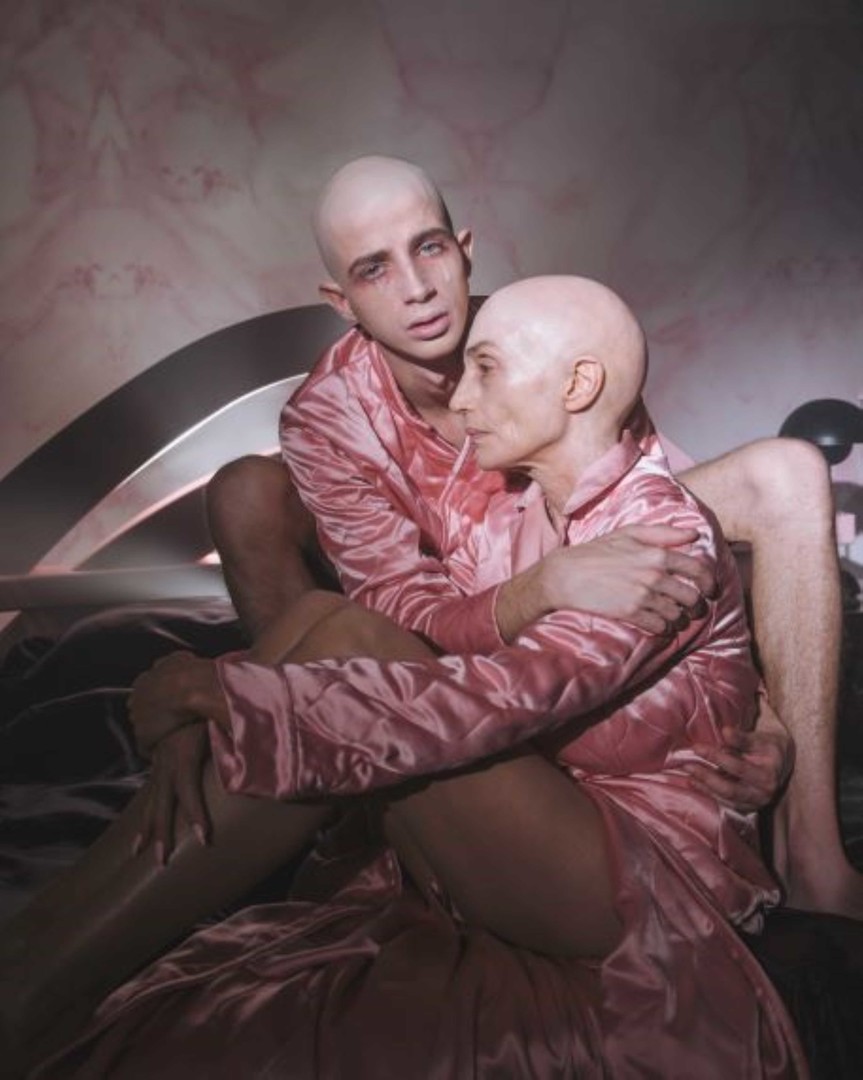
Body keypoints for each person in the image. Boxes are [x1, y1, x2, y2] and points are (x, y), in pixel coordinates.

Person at [17, 276, 806, 1078]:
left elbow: (502, 697)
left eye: (485, 370)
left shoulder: (658, 538)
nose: (459, 400)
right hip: (544, 812)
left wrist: (221, 692)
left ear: (577, 385)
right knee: (334, 623)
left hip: (639, 878)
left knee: (322, 661)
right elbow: (418, 624)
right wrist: (228, 692)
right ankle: (33, 962)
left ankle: (30, 986)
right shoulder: (509, 509)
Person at [203, 155, 853, 919]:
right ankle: (318, 792)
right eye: (375, 270)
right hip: (461, 621)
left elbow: (651, 508)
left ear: (463, 250)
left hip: (560, 573)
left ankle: (814, 851)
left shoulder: (542, 332)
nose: (416, 289)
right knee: (249, 496)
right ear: (340, 302)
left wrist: (766, 718)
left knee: (786, 472)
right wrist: (542, 587)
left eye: (428, 248)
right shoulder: (328, 417)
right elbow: (396, 611)